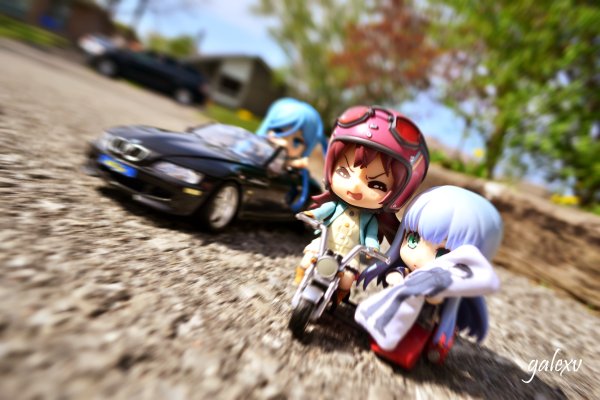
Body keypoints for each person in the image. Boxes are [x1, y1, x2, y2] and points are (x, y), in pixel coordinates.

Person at [356, 185, 503, 368]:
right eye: (413, 239)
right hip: (399, 312)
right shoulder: (408, 271)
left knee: (416, 344)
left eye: (442, 253)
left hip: (424, 321)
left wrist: (434, 293)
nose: (418, 258)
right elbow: (395, 275)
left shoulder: (447, 283)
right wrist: (397, 279)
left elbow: (437, 300)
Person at [295, 106, 430, 305]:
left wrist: (372, 248)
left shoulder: (368, 219)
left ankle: (338, 295)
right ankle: (300, 277)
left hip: (348, 255)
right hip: (325, 244)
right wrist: (312, 215)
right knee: (308, 259)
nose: (355, 186)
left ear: (400, 193)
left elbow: (370, 236)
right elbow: (323, 211)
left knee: (347, 279)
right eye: (343, 172)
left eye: (377, 185)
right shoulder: (335, 206)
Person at [256, 98, 327, 212]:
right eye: (278, 131)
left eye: (297, 141)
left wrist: (293, 163)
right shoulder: (256, 148)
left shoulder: (297, 170)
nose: (285, 143)